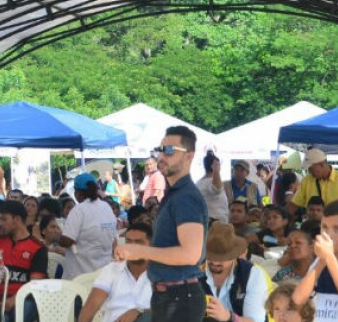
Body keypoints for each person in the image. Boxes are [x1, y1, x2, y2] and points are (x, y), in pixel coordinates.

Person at [114, 126, 207, 322]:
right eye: (161, 149)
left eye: (170, 150)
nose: (162, 156)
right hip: (169, 295)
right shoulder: (174, 195)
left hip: (180, 298)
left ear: (189, 156)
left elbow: (191, 254)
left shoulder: (185, 197)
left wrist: (141, 251)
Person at [78, 222, 154, 322]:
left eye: (138, 242)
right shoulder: (112, 269)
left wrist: (140, 312)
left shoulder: (162, 273)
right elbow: (91, 306)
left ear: (151, 244)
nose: (132, 247)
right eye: (129, 242)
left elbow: (172, 308)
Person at [200, 222, 267, 322]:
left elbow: (256, 320)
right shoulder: (194, 272)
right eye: (210, 256)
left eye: (222, 257)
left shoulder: (252, 274)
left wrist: (228, 317)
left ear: (234, 255)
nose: (215, 262)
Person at [0, 200, 47, 320]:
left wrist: (13, 300)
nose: (0, 223)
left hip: (25, 299)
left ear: (16, 219)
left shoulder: (38, 247)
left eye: (4, 219)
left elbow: (35, 284)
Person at [62, 173, 118, 279]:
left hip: (81, 277)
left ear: (77, 192)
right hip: (104, 275)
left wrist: (57, 238)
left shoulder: (79, 210)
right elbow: (114, 240)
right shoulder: (106, 207)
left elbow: (67, 240)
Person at [198, 151, 229, 224]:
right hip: (213, 224)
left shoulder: (199, 183)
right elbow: (217, 188)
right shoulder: (209, 182)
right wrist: (216, 170)